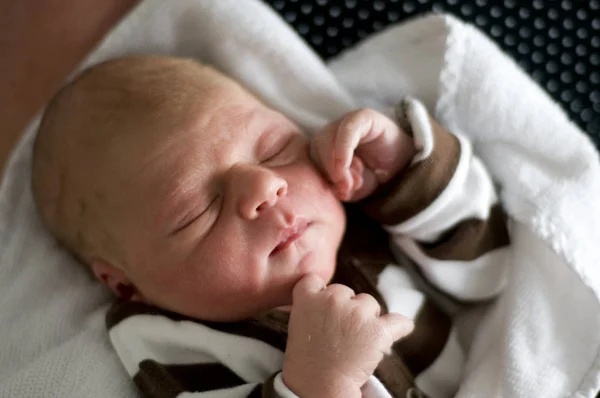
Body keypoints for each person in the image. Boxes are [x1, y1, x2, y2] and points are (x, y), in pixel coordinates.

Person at [31, 55, 510, 398]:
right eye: (199, 210)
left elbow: (489, 268)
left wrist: (403, 169)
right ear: (125, 284)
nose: (265, 187)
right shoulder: (171, 342)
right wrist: (318, 382)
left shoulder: (358, 217)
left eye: (275, 149)